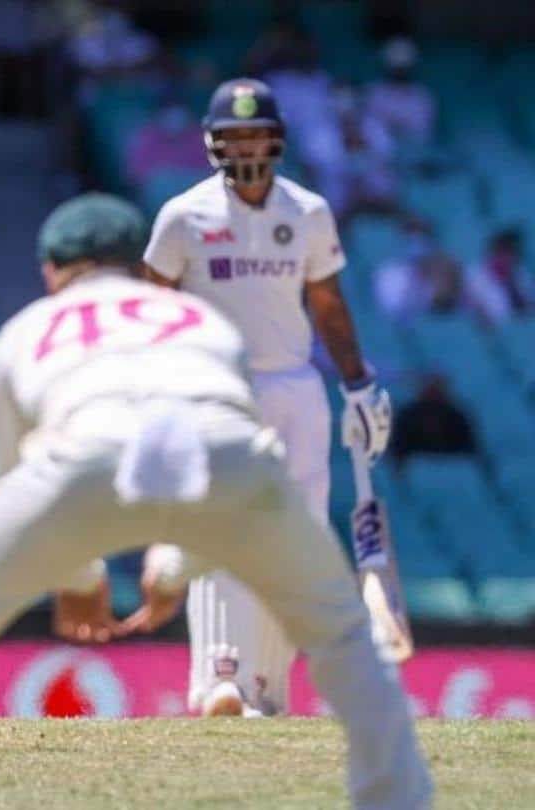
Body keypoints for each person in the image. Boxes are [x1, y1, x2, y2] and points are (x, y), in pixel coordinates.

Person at [0, 193, 432, 810]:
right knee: (342, 632)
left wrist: (77, 577)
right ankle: (399, 798)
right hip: (229, 455)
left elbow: (15, 476)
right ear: (139, 265)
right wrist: (175, 567)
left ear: (50, 271)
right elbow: (211, 449)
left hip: (85, 450)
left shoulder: (20, 335)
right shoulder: (202, 320)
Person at [141, 78, 392, 717]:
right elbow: (151, 311)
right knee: (221, 526)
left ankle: (265, 690)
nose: (247, 145)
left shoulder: (307, 212)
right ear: (212, 143)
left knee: (293, 536)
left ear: (277, 140)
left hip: (295, 390)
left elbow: (328, 305)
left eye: (257, 134)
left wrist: (358, 385)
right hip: (217, 392)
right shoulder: (183, 217)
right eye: (235, 136)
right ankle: (218, 678)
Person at [389, 374, 478, 464]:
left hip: (451, 468)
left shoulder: (456, 417)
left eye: (437, 388)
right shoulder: (407, 416)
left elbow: (471, 449)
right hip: (416, 471)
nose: (433, 393)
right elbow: (397, 449)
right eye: (430, 388)